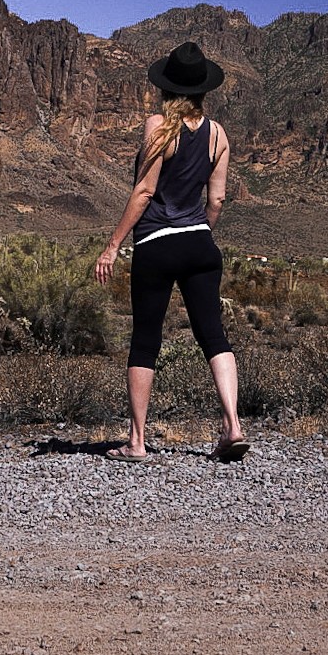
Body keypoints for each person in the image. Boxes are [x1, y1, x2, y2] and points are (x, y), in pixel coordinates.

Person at [95, 41, 249, 463]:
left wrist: (112, 247)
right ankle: (233, 426)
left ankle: (137, 442)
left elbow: (144, 192)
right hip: (200, 242)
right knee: (213, 334)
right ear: (203, 90)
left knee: (145, 340)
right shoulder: (218, 136)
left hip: (155, 243)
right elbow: (215, 202)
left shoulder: (158, 127)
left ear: (167, 88)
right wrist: (197, 234)